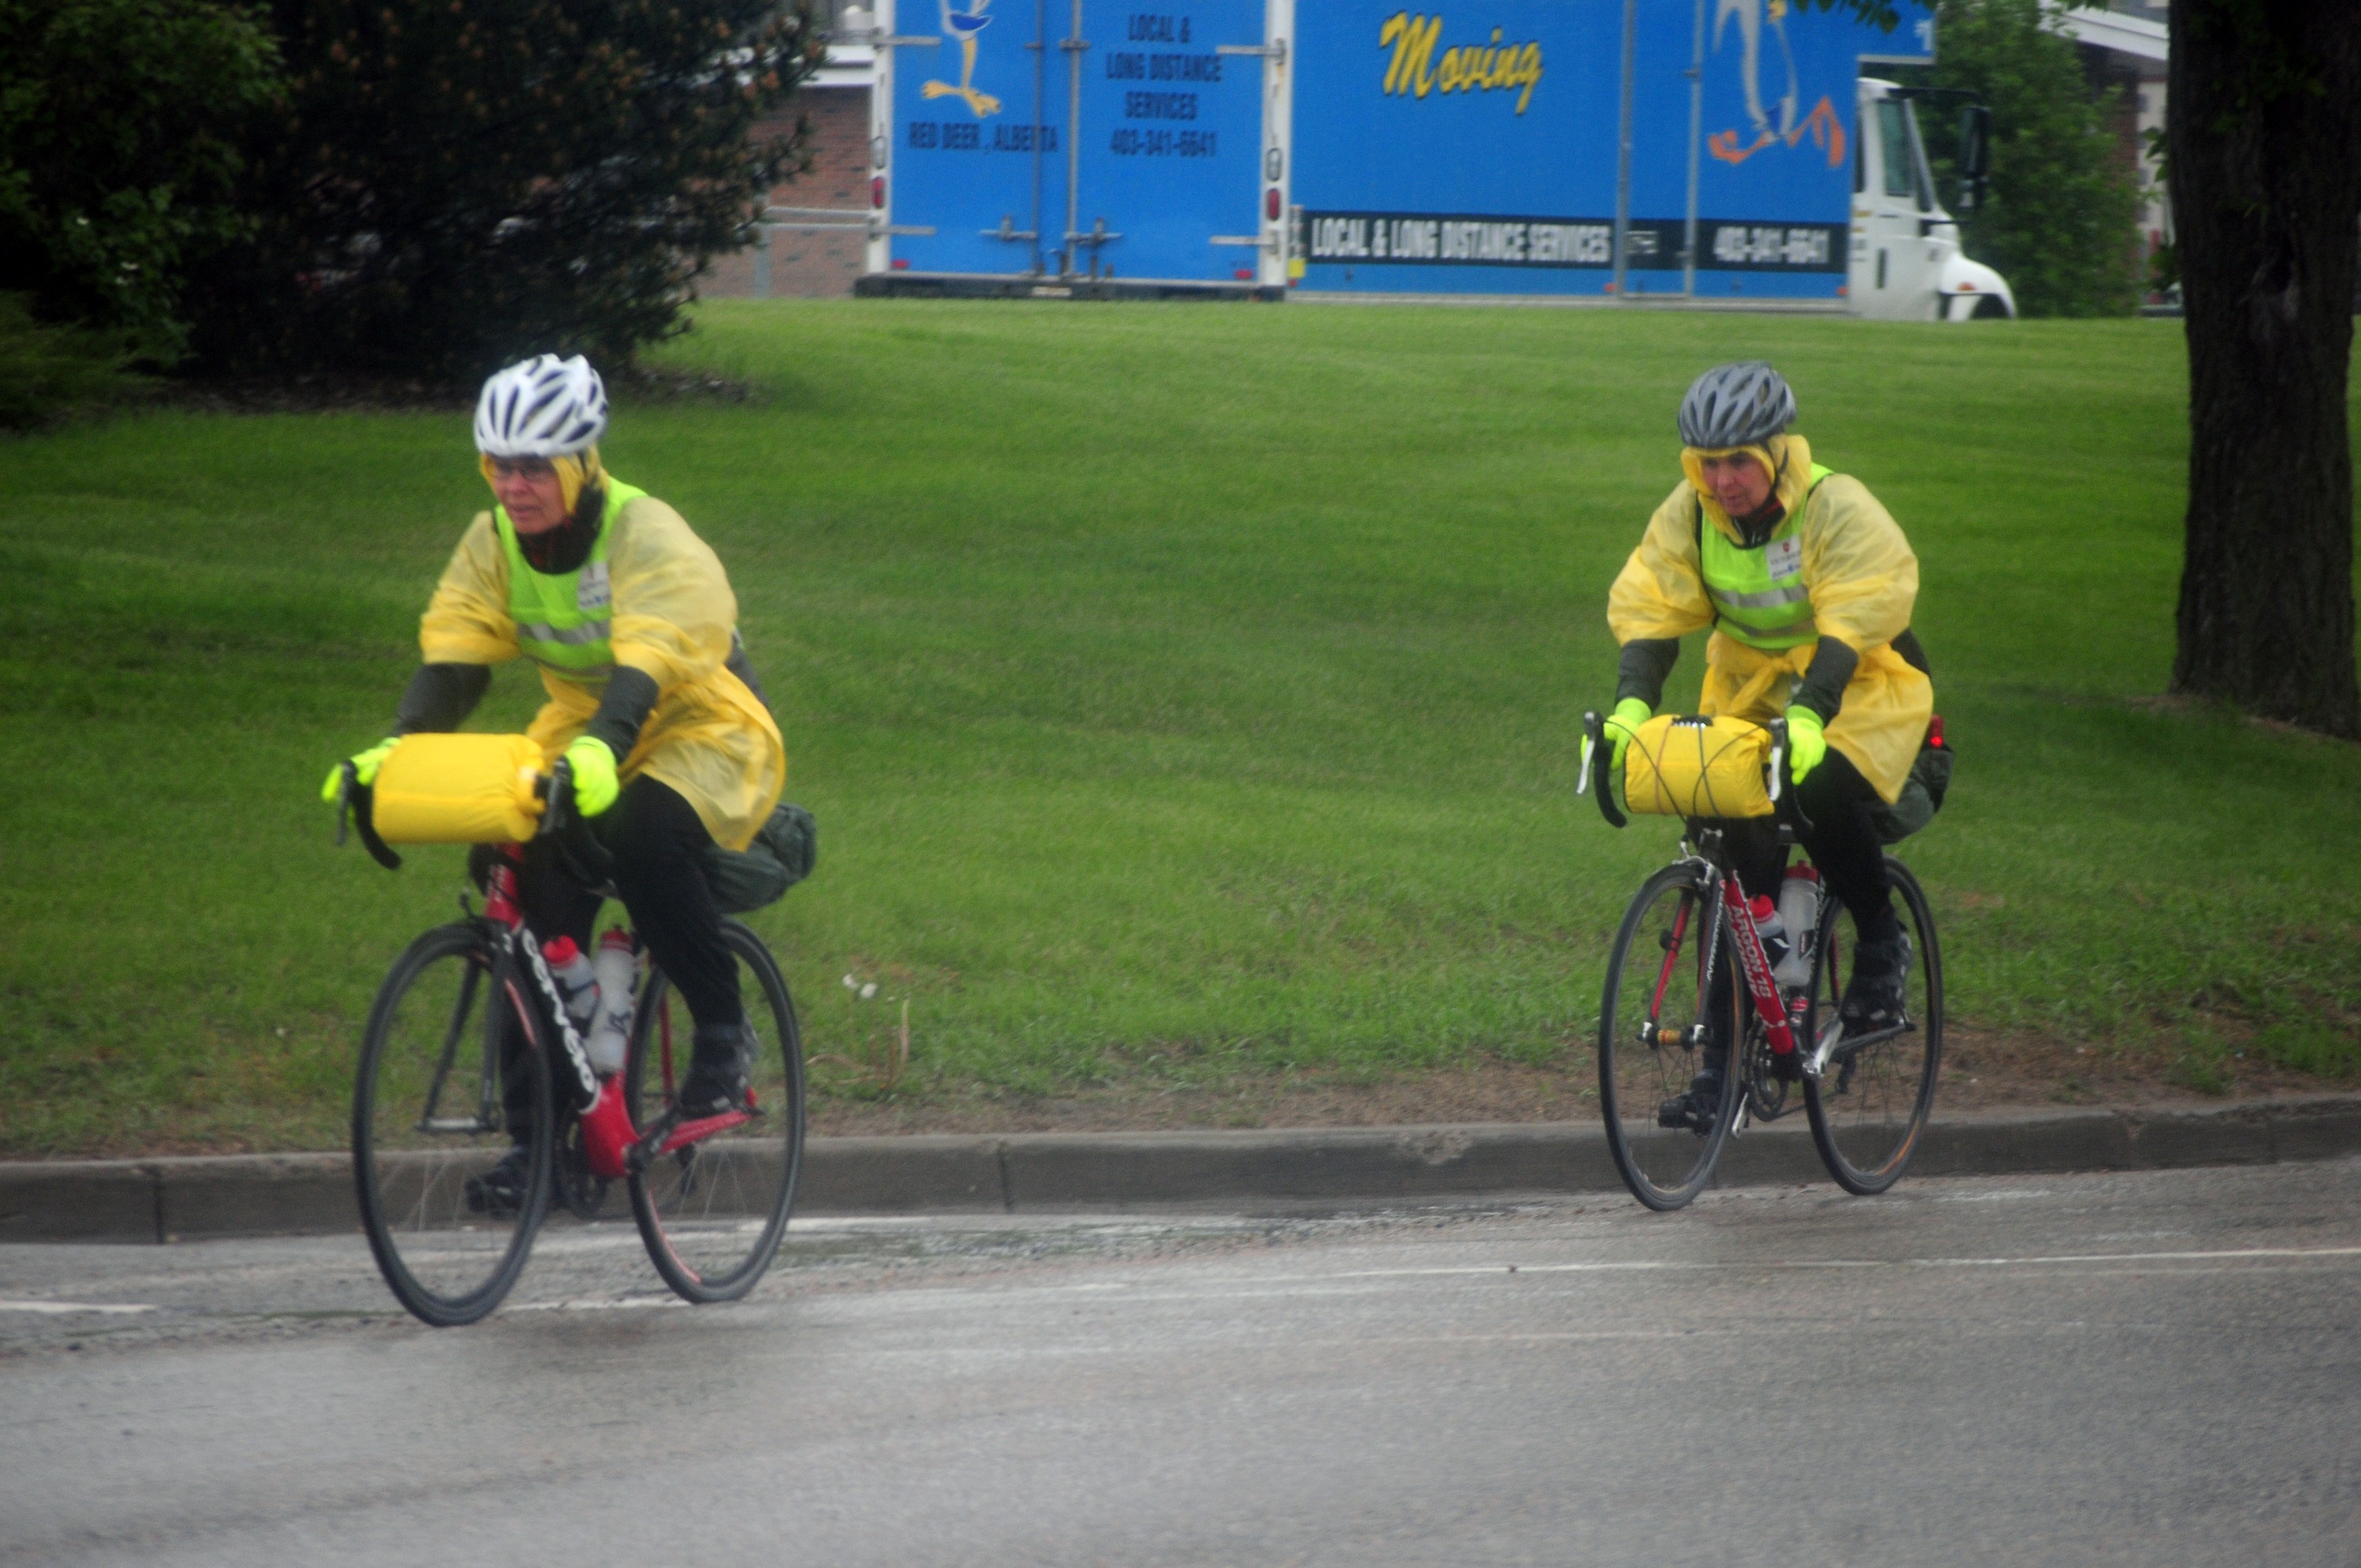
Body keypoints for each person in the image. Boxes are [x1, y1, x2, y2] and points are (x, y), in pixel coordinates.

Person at [323, 354, 785, 1197]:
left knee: (647, 837)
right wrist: (398, 746)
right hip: (584, 727)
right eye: (498, 462)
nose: (514, 483)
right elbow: (458, 653)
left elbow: (649, 659)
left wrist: (607, 745)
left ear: (580, 463)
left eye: (534, 464)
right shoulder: (492, 540)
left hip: (699, 720)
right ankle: (544, 1151)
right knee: (520, 889)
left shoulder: (647, 533)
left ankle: (723, 1036)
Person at [1604, 360, 1933, 1131]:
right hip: (1751, 695)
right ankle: (1722, 1073)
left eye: (1738, 462)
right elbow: (1653, 609)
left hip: (1858, 684)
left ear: (1776, 453)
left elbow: (1855, 616)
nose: (1722, 481)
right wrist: (1629, 711)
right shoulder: (1688, 516)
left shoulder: (1833, 506)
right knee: (1731, 862)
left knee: (1818, 788)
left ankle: (1881, 946)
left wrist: (1815, 715)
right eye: (1708, 464)